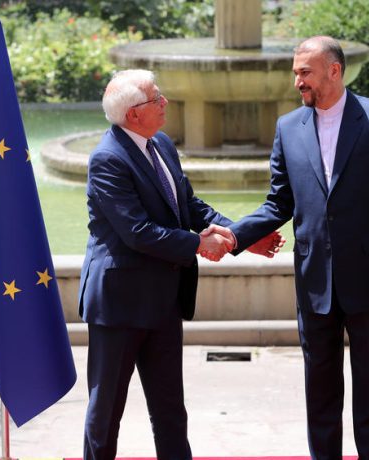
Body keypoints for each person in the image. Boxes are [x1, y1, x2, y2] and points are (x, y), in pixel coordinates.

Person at [219, 36, 369, 459]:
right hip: (313, 283)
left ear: (334, 70)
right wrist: (235, 236)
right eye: (295, 73)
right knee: (320, 391)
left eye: (304, 72)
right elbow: (278, 203)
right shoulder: (288, 128)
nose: (297, 82)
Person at [78, 69, 282, 460]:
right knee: (105, 415)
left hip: (163, 302)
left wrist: (239, 235)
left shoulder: (162, 145)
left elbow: (188, 206)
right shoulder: (107, 159)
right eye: (157, 98)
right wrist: (198, 245)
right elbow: (137, 231)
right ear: (133, 114)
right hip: (120, 305)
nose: (165, 102)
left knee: (171, 411)